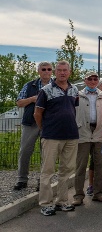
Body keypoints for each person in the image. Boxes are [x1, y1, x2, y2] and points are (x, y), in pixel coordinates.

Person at [34, 60, 79, 216]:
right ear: (55, 72)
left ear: (69, 72)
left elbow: (74, 110)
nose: (62, 72)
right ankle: (46, 203)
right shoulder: (46, 91)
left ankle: (62, 201)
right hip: (51, 136)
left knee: (66, 171)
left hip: (71, 136)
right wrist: (43, 129)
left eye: (65, 70)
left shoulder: (75, 90)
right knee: (47, 171)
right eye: (59, 70)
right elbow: (37, 113)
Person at [73, 72, 102, 206]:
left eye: (95, 79)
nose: (93, 81)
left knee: (100, 164)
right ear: (85, 80)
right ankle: (78, 195)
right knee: (81, 165)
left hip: (100, 133)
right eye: (90, 78)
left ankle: (98, 192)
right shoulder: (77, 95)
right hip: (82, 132)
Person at [13, 61, 52, 191]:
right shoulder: (29, 85)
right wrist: (32, 99)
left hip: (48, 124)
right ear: (38, 71)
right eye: (43, 69)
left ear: (52, 71)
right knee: (25, 151)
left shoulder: (56, 86)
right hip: (30, 123)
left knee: (46, 154)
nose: (46, 71)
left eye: (48, 69)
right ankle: (22, 179)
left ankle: (43, 181)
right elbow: (19, 102)